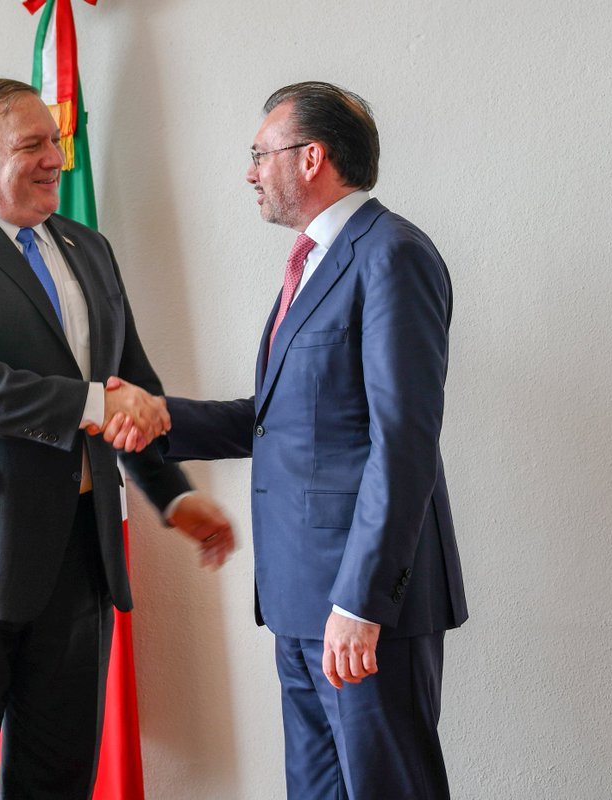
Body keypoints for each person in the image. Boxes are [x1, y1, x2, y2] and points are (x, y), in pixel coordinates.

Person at [0, 77, 234, 799]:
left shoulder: (88, 248)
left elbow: (132, 383)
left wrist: (173, 496)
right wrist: (96, 402)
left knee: (61, 778)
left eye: (57, 143)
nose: (54, 160)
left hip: (78, 559)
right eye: (32, 145)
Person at [116, 81, 468, 798]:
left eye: (259, 154)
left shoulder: (392, 254)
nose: (250, 172)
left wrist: (361, 602)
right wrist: (156, 415)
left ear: (312, 158)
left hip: (359, 607)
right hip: (299, 601)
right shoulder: (309, 266)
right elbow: (282, 419)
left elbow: (402, 442)